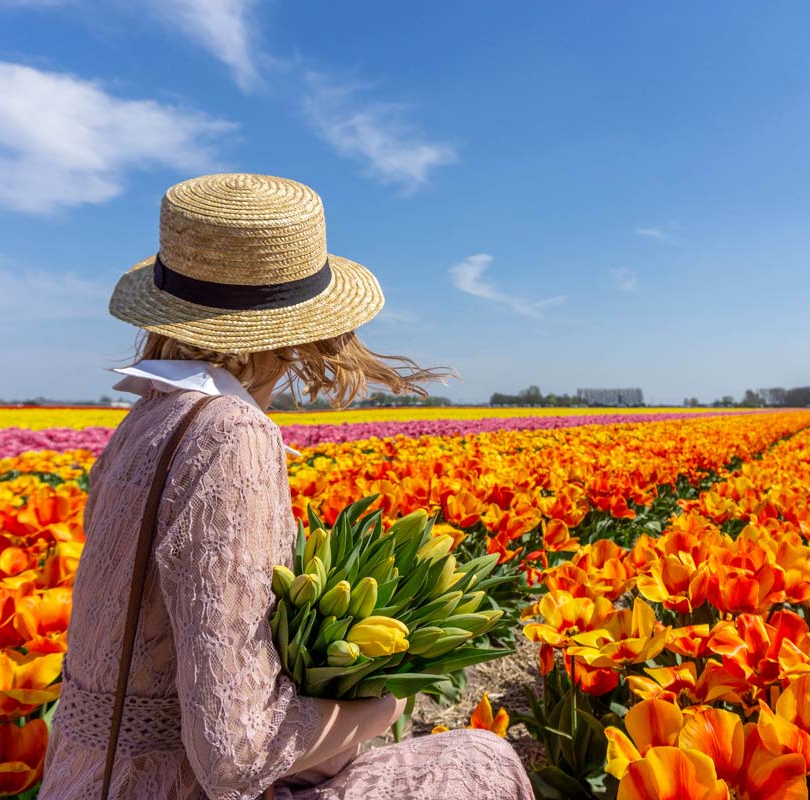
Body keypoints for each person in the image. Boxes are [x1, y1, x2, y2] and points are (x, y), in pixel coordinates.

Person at [39, 173, 534, 800]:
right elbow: (236, 751)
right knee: (481, 760)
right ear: (304, 325)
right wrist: (382, 704)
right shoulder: (231, 434)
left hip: (83, 780)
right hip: (169, 787)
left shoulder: (146, 416)